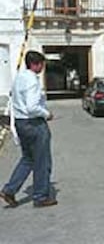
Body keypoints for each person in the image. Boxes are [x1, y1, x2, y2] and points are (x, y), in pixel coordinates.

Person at [0, 51, 57, 208]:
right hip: (34, 123)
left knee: (28, 159)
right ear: (35, 64)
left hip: (20, 122)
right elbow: (32, 107)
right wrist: (47, 114)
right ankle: (40, 196)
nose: (42, 68)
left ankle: (9, 190)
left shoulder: (19, 77)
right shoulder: (32, 80)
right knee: (42, 161)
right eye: (42, 64)